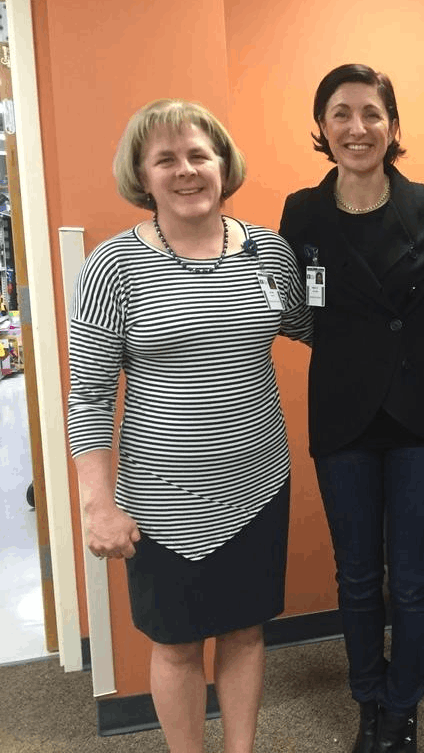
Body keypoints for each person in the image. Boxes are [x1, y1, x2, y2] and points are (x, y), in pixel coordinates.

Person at [67, 99, 311, 753]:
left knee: (245, 632)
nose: (186, 170)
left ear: (223, 164)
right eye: (166, 159)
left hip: (257, 485)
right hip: (160, 501)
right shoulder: (112, 267)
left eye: (199, 155)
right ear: (141, 175)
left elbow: (317, 327)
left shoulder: (269, 252)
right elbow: (89, 395)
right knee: (176, 645)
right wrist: (97, 505)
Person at [278, 63, 424, 753]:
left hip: (416, 414)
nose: (357, 127)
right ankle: (368, 701)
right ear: (322, 128)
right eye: (341, 114)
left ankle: (403, 707)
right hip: (343, 411)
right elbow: (293, 307)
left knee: (411, 578)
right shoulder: (302, 212)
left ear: (393, 125)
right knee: (356, 577)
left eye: (371, 113)